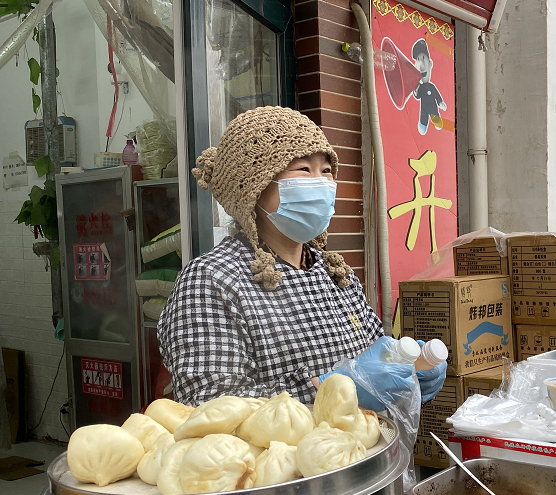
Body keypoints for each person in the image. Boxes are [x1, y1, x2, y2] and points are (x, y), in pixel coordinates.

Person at [158, 106, 446, 411]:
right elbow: (211, 406)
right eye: (304, 170)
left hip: (364, 453)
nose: (321, 183)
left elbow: (378, 360)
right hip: (283, 460)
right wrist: (337, 390)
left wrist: (409, 371)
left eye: (326, 171)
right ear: (255, 186)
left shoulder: (336, 275)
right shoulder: (211, 281)